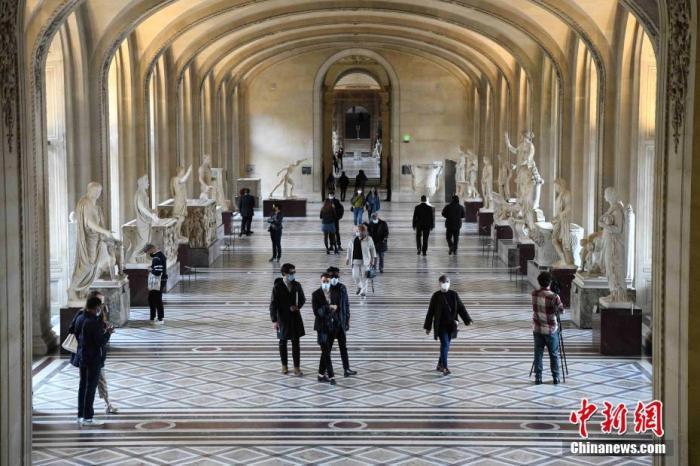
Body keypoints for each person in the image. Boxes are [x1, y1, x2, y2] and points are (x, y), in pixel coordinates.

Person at [69, 292, 119, 418]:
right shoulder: (92, 322)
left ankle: (81, 414)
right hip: (93, 358)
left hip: (82, 356)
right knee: (90, 387)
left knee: (83, 386)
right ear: (96, 307)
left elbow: (75, 332)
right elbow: (100, 341)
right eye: (100, 306)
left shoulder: (80, 317)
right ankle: (88, 416)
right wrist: (108, 333)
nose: (101, 308)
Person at [423, 275, 473, 376]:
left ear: (449, 283)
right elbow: (430, 312)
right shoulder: (436, 296)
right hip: (441, 326)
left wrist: (467, 320)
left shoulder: (454, 294)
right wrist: (428, 327)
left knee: (445, 346)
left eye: (447, 282)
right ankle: (444, 367)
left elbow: (461, 308)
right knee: (445, 344)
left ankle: (439, 364)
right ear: (439, 283)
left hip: (452, 325)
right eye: (443, 282)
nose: (445, 284)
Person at [269, 263, 306, 376]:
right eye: (291, 273)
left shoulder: (297, 285)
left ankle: (296, 367)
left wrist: (297, 306)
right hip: (282, 319)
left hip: (295, 318)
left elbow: (302, 299)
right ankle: (284, 365)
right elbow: (273, 305)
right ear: (284, 273)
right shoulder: (277, 287)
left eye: (294, 272)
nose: (293, 274)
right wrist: (274, 320)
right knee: (282, 342)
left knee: (296, 343)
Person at [531, 271, 564, 385]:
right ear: (550, 282)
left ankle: (538, 377)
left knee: (538, 354)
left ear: (539, 282)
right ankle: (556, 377)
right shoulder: (554, 297)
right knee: (553, 354)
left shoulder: (534, 294)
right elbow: (561, 311)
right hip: (551, 330)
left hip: (537, 328)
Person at [312, 273, 342, 385]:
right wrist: (328, 307)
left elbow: (339, 307)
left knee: (326, 352)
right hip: (322, 327)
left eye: (327, 281)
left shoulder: (334, 293)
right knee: (326, 352)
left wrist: (336, 308)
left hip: (332, 327)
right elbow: (317, 312)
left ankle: (320, 375)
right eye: (323, 281)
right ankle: (331, 376)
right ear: (321, 281)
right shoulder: (316, 294)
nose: (325, 283)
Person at [327, 266, 356, 377]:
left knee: (343, 347)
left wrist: (347, 320)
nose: (334, 278)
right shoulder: (325, 289)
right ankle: (325, 370)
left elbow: (346, 305)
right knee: (327, 348)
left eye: (336, 275)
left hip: (341, 322)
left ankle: (346, 369)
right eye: (332, 276)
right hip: (330, 324)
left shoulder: (342, 288)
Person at [345, 224, 377, 297]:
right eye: (357, 231)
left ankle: (364, 291)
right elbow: (349, 249)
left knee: (364, 276)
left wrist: (373, 259)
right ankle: (359, 286)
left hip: (365, 261)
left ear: (365, 231)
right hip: (355, 261)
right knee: (355, 276)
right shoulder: (353, 239)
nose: (359, 232)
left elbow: (372, 249)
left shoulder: (369, 239)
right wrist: (347, 258)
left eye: (360, 231)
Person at [143, 243, 167, 323]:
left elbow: (157, 272)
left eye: (148, 252)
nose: (148, 254)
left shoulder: (157, 257)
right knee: (152, 298)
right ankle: (153, 317)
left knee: (156, 299)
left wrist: (150, 269)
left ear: (151, 249)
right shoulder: (158, 255)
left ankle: (159, 318)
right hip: (161, 280)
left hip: (159, 281)